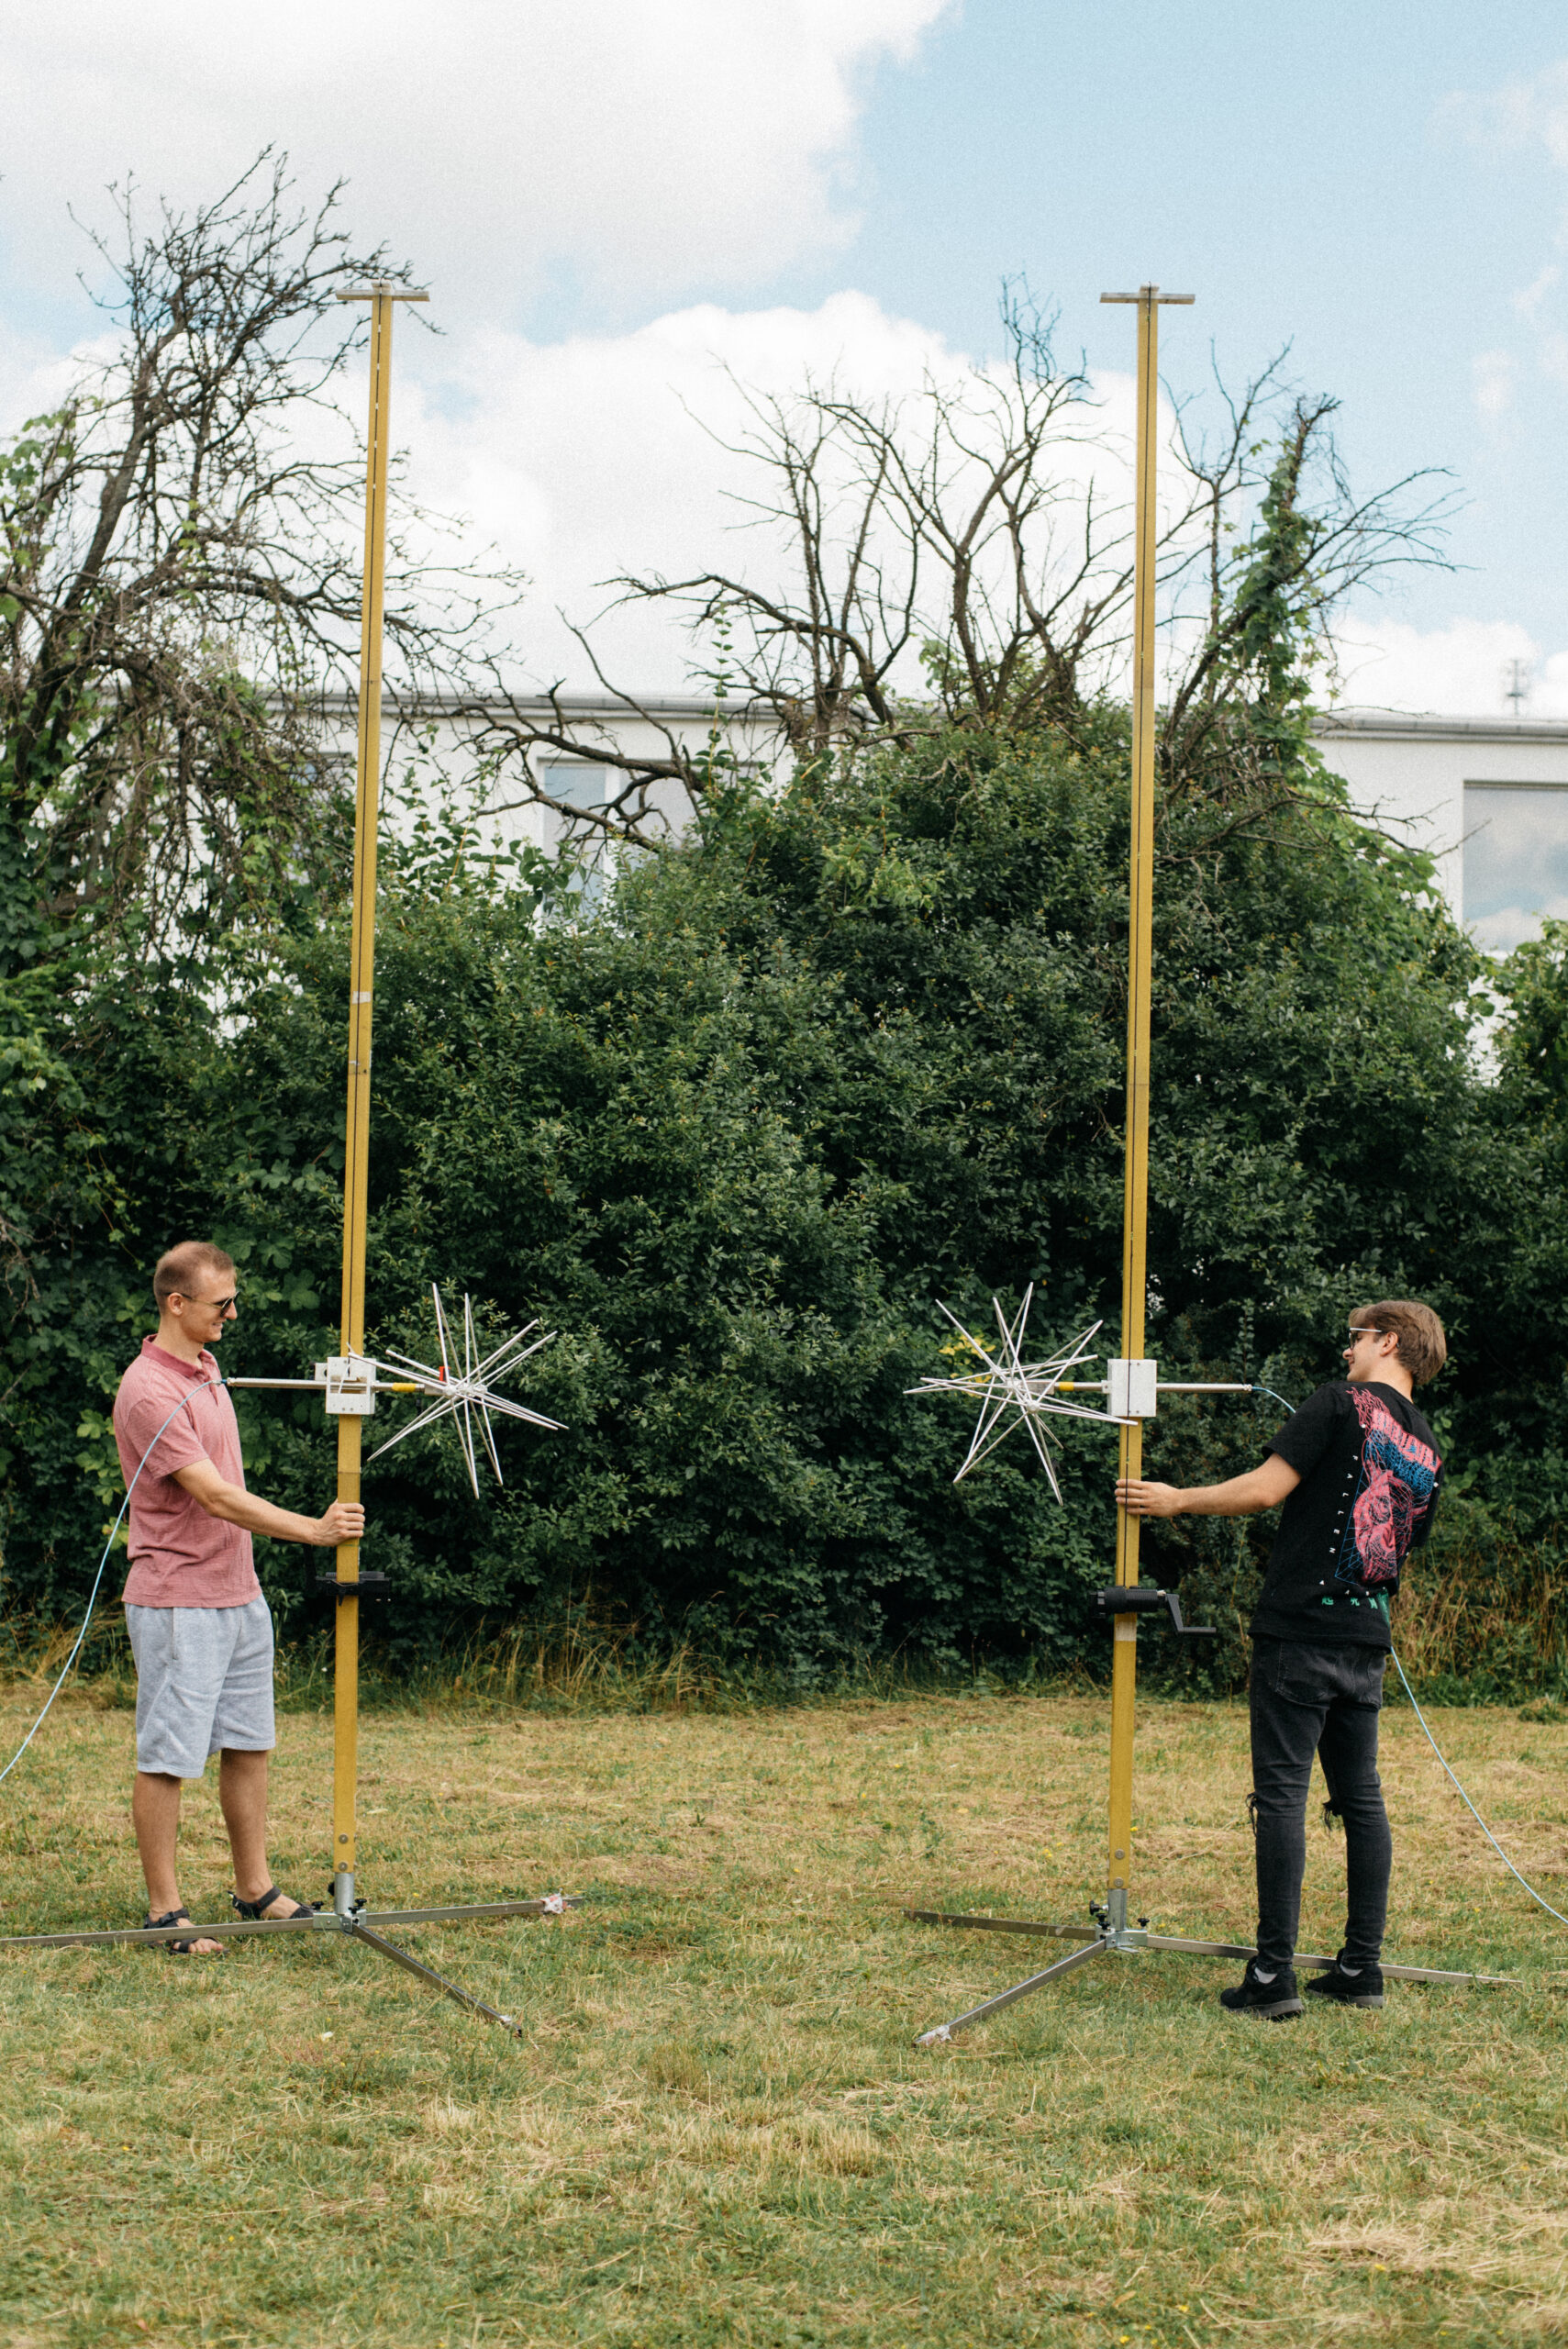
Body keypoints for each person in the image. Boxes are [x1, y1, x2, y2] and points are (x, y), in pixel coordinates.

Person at [1117, 1300, 1445, 2020]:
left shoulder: (1338, 1403)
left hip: (1299, 1633)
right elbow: (1398, 1542)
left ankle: (1271, 1978)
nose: (1345, 1352)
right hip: (1365, 1641)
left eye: (1354, 1338)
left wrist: (1175, 1501)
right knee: (1361, 1801)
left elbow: (1266, 1489)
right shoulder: (1425, 1443)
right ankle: (1361, 1968)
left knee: (1283, 1798)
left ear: (1386, 1341)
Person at [113, 1241, 365, 1956]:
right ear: (176, 1303)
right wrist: (314, 1531)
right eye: (221, 1302)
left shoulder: (206, 1368)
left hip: (237, 1592)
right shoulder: (149, 1391)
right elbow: (216, 1495)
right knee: (169, 1754)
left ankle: (254, 1889)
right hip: (177, 1600)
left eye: (233, 1298)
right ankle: (165, 1911)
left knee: (249, 1743)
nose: (233, 1312)